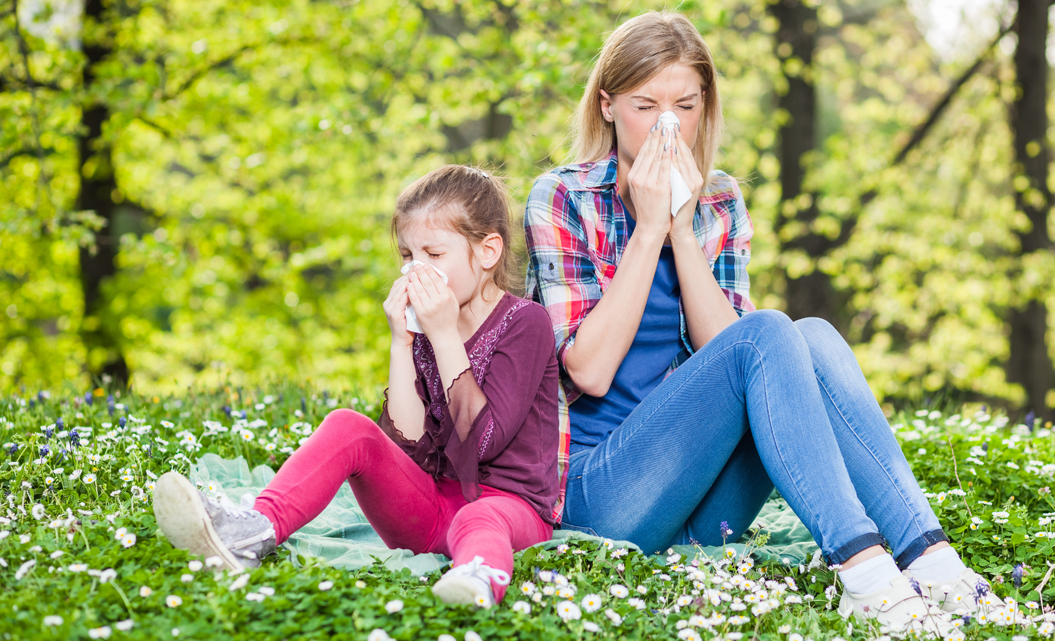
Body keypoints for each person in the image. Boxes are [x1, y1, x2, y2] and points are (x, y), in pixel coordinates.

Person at [524, 11, 993, 633]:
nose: (668, 125)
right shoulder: (563, 197)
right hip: (599, 496)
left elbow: (743, 358)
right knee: (774, 330)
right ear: (607, 106)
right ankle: (863, 570)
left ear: (704, 107)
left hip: (699, 502)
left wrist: (685, 232)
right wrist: (649, 229)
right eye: (645, 106)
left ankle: (929, 559)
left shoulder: (718, 199)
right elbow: (588, 370)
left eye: (685, 106)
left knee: (811, 337)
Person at [155, 165, 560, 607]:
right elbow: (406, 448)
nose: (416, 271)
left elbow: (482, 443)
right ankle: (251, 532)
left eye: (434, 254)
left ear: (487, 252)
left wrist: (444, 334)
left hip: (510, 511)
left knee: (481, 517)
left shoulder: (525, 323)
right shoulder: (425, 330)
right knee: (349, 425)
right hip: (430, 513)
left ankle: (476, 579)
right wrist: (402, 341)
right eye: (408, 256)